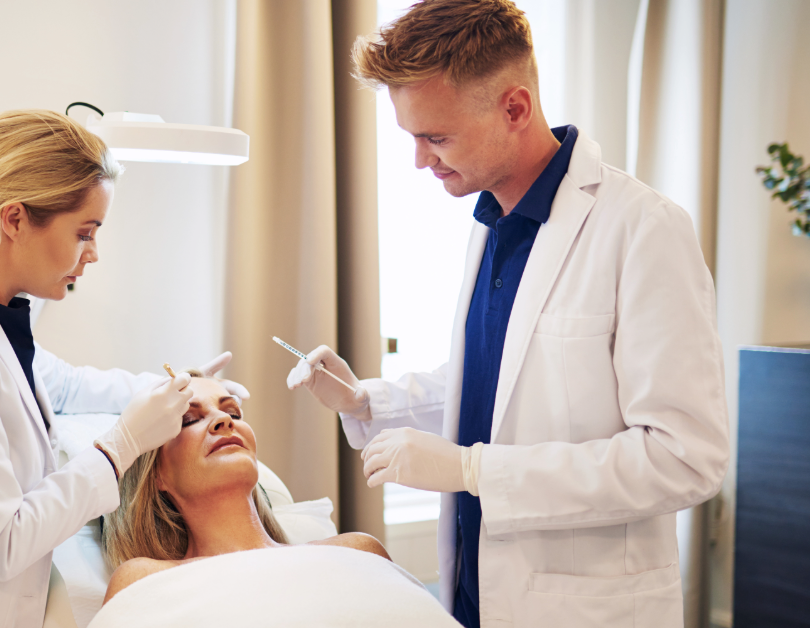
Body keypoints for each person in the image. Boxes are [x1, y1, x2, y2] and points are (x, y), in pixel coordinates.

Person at [286, 1, 730, 627]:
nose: (420, 160)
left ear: (514, 108)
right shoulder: (491, 221)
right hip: (475, 594)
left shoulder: (644, 229)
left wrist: (472, 469)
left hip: (583, 608)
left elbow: (685, 459)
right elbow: (501, 387)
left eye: (435, 137)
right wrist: (366, 401)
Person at [0, 110, 243, 628]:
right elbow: (1, 544)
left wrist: (176, 388)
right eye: (85, 232)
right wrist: (122, 444)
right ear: (14, 220)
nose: (93, 254)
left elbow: (65, 385)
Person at [92, 373, 458, 628]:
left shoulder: (358, 551)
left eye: (232, 412)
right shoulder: (142, 578)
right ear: (156, 475)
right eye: (189, 420)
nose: (223, 420)